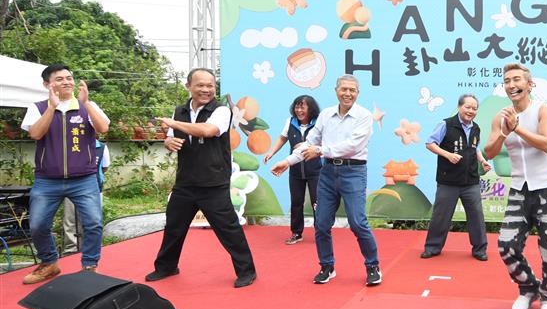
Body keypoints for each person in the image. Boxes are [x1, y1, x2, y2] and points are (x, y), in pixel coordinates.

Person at [145, 68, 257, 288]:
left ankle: (247, 271)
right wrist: (168, 142)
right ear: (188, 86)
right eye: (200, 85)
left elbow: (207, 130)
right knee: (174, 227)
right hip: (185, 181)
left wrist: (173, 124)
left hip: (213, 182)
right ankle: (166, 266)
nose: (206, 90)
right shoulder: (179, 111)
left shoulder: (221, 110)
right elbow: (170, 137)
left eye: (210, 86)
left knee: (228, 229)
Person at [271, 75, 382, 286]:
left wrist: (321, 150)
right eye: (344, 89)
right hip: (328, 172)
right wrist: (287, 161)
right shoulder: (326, 115)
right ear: (336, 91)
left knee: (358, 223)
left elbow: (353, 146)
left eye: (352, 90)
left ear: (358, 93)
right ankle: (326, 266)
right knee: (321, 223)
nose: (347, 93)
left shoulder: (364, 116)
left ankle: (372, 266)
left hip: (354, 172)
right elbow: (309, 143)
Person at [484, 63, 547, 309]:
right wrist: (504, 132)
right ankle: (528, 287)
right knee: (506, 245)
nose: (511, 85)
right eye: (507, 81)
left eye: (517, 79)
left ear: (530, 84)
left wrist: (517, 128)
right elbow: (490, 152)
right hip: (519, 189)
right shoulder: (500, 117)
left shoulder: (543, 109)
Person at [20, 64, 110, 284]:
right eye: (59, 79)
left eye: (69, 78)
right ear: (47, 84)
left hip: (84, 179)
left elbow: (103, 128)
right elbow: (35, 133)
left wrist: (86, 104)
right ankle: (49, 263)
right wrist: (51, 108)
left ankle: (89, 266)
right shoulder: (38, 107)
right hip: (47, 180)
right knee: (38, 225)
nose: (66, 82)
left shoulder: (86, 106)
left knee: (93, 223)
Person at [421, 94, 493, 260]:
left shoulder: (476, 128)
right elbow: (430, 143)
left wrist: (482, 161)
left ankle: (480, 250)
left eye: (474, 108)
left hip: (471, 181)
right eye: (468, 107)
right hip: (448, 181)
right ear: (460, 107)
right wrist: (448, 155)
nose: (471, 111)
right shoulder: (446, 124)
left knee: (477, 216)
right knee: (441, 216)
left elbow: (475, 147)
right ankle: (432, 247)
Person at [264, 95, 321, 245]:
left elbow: (323, 143)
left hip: (316, 170)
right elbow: (282, 138)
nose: (299, 110)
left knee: (317, 202)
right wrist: (272, 152)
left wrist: (307, 146)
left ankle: (321, 233)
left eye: (303, 107)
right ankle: (296, 233)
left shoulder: (319, 123)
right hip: (295, 170)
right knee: (296, 202)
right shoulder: (290, 122)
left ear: (311, 109)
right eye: (297, 106)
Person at [63, 139, 110, 251]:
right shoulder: (69, 144)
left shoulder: (101, 147)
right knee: (70, 220)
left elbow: (104, 168)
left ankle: (92, 248)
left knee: (93, 221)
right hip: (70, 187)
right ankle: (71, 249)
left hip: (94, 189)